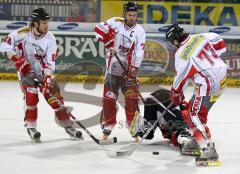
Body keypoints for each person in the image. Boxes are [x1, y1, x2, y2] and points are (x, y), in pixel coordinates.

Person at [0, 8, 83, 142]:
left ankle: (68, 126)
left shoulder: (50, 39)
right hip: (25, 73)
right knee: (31, 97)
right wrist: (16, 59)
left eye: (47, 22)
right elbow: (4, 45)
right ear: (35, 23)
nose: (46, 25)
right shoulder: (22, 33)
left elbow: (50, 61)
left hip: (42, 73)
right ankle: (31, 126)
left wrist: (47, 79)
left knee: (55, 99)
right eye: (43, 22)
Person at [166, 24, 227, 166]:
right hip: (222, 78)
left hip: (208, 84)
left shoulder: (181, 54)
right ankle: (200, 137)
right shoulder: (200, 36)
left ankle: (209, 151)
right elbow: (221, 44)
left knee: (194, 115)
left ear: (175, 40)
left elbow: (181, 78)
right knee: (194, 108)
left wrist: (175, 94)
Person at [93, 1, 146, 141]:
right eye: (130, 15)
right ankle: (108, 124)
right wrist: (107, 40)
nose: (132, 18)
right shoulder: (115, 22)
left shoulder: (140, 31)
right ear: (125, 14)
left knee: (131, 99)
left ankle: (132, 125)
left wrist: (134, 69)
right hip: (112, 70)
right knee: (109, 99)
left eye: (135, 15)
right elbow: (98, 28)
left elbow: (139, 51)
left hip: (128, 72)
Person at [130, 87, 200, 156]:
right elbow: (186, 107)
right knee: (180, 127)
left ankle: (141, 128)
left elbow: (167, 135)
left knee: (148, 135)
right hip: (164, 97)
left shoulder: (175, 136)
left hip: (158, 106)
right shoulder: (187, 116)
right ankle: (185, 136)